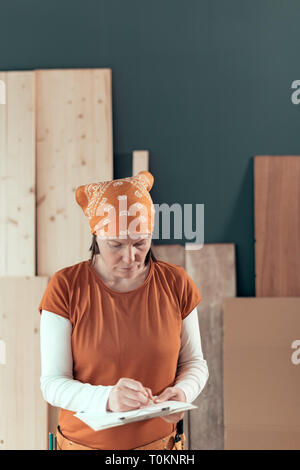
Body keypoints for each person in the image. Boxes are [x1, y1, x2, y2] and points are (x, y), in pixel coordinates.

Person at [38, 170, 209, 450]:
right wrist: (107, 399)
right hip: (81, 446)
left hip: (162, 447)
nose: (130, 257)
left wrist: (183, 391)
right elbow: (53, 383)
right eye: (116, 245)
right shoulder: (65, 287)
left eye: (140, 243)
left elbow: (194, 363)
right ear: (96, 236)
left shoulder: (176, 283)